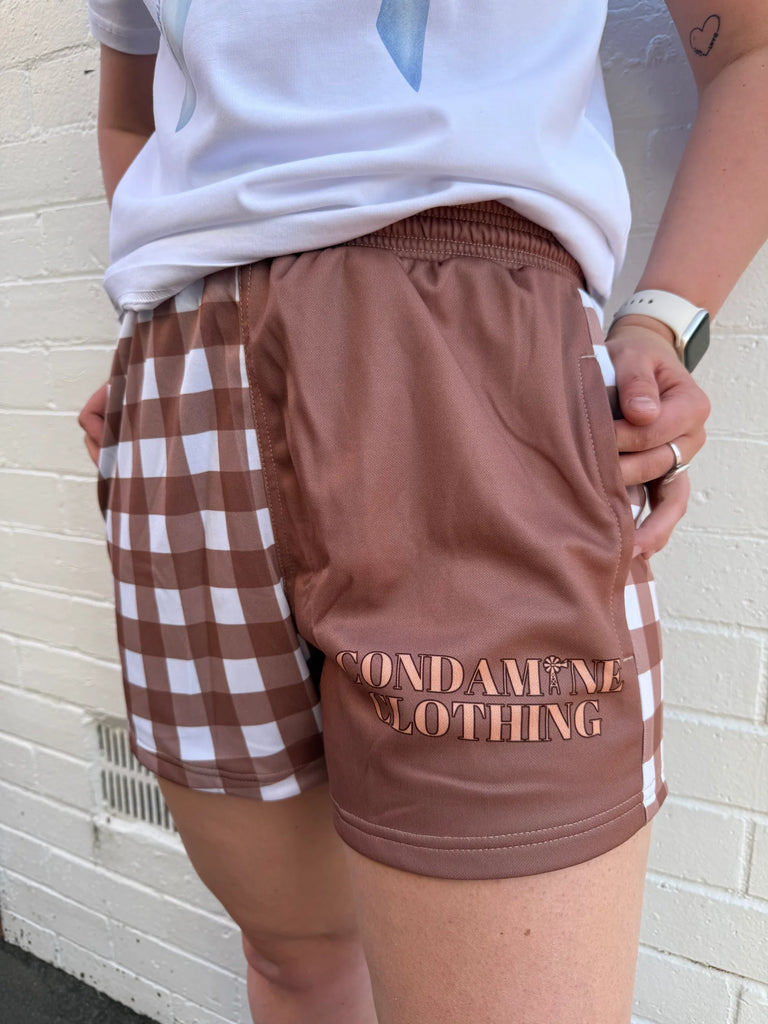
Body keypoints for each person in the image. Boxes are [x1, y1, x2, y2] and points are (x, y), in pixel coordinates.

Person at [77, 2, 767, 1021]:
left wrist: (664, 320)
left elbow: (751, 48)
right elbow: (131, 118)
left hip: (473, 360)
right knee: (295, 956)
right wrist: (153, 313)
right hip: (179, 388)